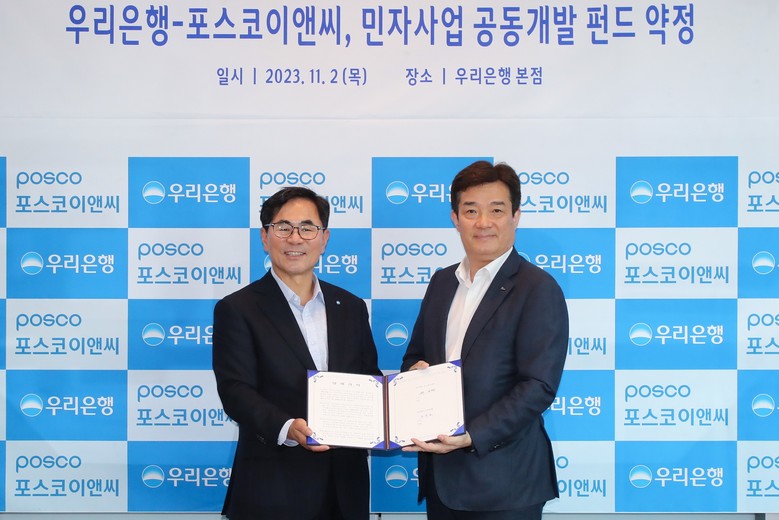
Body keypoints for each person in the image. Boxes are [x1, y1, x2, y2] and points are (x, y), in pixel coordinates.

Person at [401, 160, 569, 520]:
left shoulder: (537, 288)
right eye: (471, 211)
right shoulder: (442, 282)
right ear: (455, 218)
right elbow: (414, 356)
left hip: (504, 483)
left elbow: (538, 385)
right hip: (442, 479)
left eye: (496, 210)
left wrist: (472, 435)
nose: (483, 222)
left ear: (515, 216)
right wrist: (414, 376)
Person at [212, 186, 380, 520]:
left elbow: (369, 382)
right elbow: (235, 391)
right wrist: (287, 427)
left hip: (346, 489)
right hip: (273, 490)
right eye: (283, 227)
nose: (295, 238)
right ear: (265, 237)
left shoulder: (351, 307)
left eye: (307, 228)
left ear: (324, 239)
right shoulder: (238, 309)